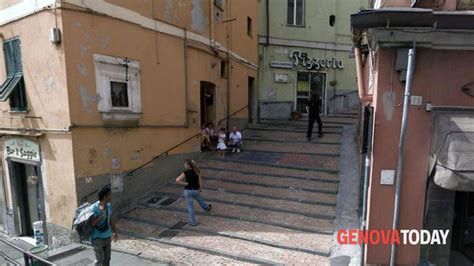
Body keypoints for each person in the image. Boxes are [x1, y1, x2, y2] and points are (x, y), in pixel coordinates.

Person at [175, 159, 211, 226]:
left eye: (185, 164)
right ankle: (206, 208)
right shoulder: (197, 171)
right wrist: (200, 188)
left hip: (188, 191)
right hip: (195, 190)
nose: (184, 165)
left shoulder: (185, 172)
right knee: (199, 199)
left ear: (188, 165)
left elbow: (177, 180)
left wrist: (185, 183)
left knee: (190, 207)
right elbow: (199, 181)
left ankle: (193, 222)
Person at [91, 186, 118, 266]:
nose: (111, 196)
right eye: (109, 194)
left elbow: (111, 220)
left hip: (107, 237)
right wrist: (102, 214)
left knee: (107, 259)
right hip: (97, 238)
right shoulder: (94, 208)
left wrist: (114, 232)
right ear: (104, 196)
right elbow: (92, 223)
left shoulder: (108, 206)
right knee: (100, 260)